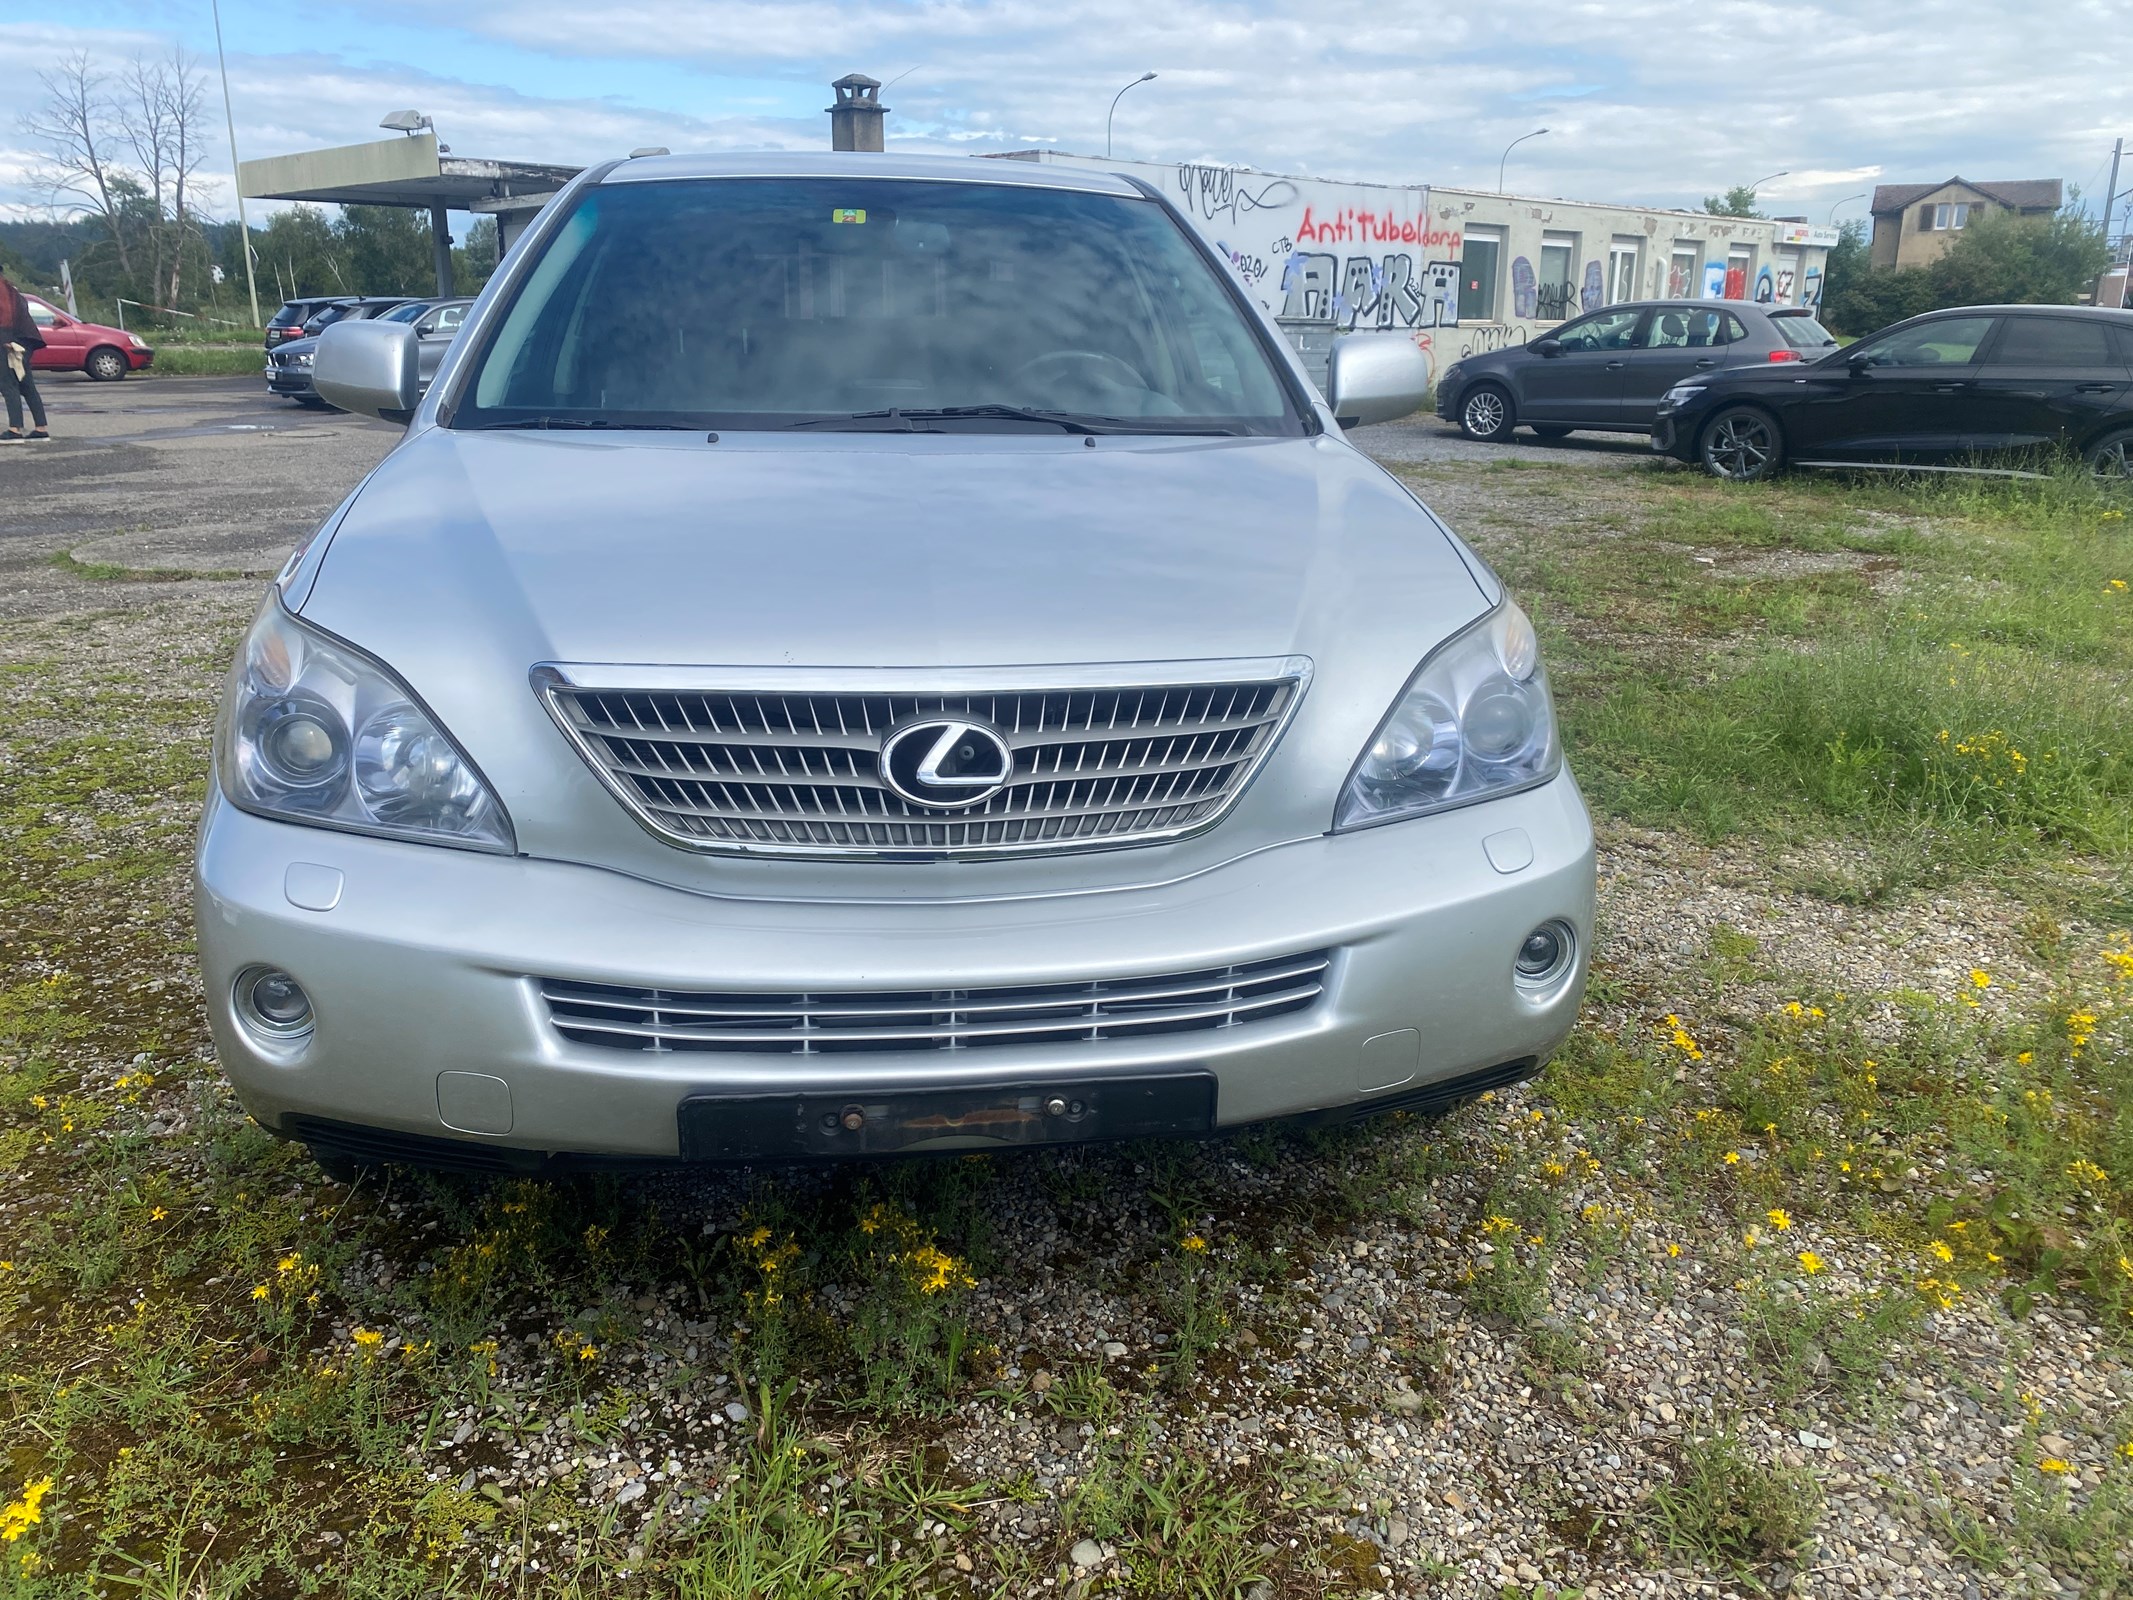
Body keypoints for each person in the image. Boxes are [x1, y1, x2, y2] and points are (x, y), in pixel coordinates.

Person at [0, 271, 51, 444]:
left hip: (10, 340)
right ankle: (41, 429)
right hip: (24, 341)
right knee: (26, 383)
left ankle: (15, 431)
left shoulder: (2, 289)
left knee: (8, 383)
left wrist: (5, 339)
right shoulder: (11, 289)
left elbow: (5, 315)